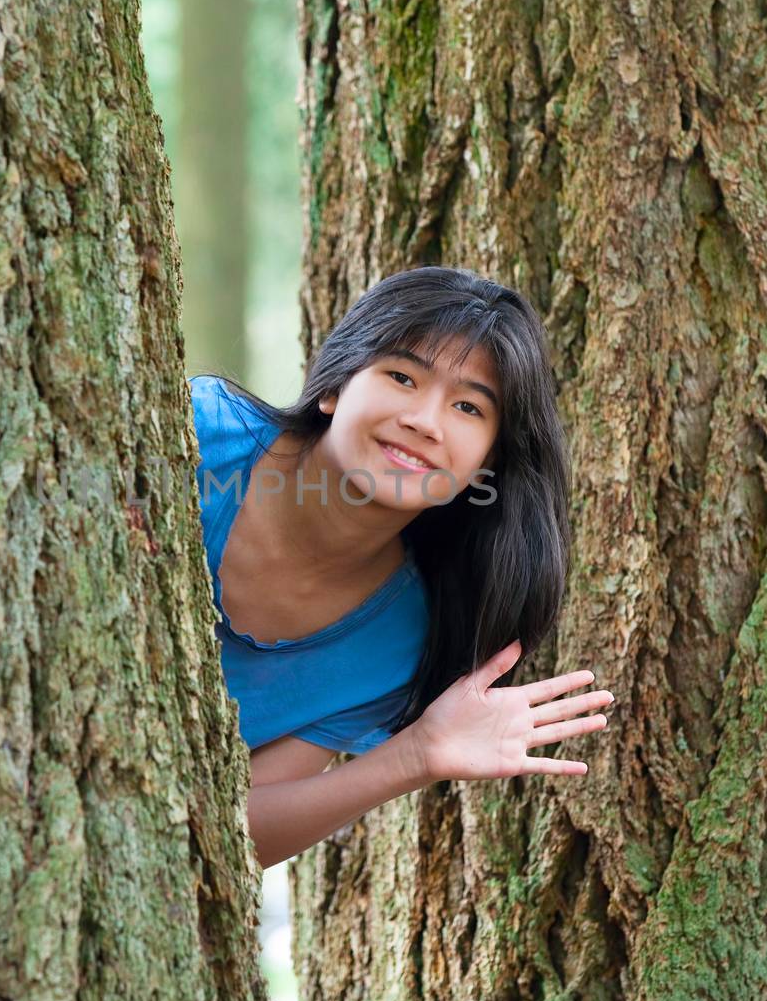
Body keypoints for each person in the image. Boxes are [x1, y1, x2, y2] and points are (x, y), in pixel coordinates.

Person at [189, 266, 613, 869]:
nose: (425, 421)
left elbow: (225, 834)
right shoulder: (202, 436)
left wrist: (415, 756)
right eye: (401, 376)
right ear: (334, 387)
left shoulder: (397, 641)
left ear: (484, 465)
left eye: (468, 406)